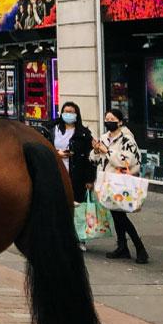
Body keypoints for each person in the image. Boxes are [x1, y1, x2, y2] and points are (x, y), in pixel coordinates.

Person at [93, 108, 149, 264]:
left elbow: (127, 161)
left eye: (112, 119)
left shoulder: (127, 139)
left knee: (121, 217)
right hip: (107, 182)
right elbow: (95, 159)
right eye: (107, 119)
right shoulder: (104, 137)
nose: (108, 122)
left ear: (120, 122)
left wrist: (107, 151)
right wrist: (97, 150)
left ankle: (139, 247)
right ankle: (122, 246)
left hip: (120, 182)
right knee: (116, 216)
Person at [54, 101, 95, 251]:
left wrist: (90, 179)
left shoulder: (83, 133)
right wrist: (56, 153)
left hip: (77, 175)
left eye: (71, 111)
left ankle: (80, 239)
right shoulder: (54, 129)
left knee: (78, 208)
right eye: (66, 111)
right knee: (59, 207)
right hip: (57, 172)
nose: (68, 114)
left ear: (77, 114)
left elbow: (90, 158)